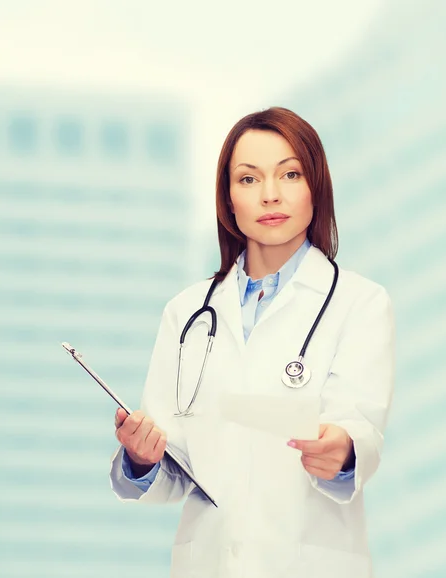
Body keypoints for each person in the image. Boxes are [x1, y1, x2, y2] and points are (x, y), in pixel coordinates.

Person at [109, 107, 395, 578]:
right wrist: (141, 458)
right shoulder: (187, 314)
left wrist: (341, 451)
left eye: (290, 174)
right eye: (248, 179)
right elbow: (173, 471)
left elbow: (359, 428)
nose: (270, 195)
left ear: (315, 187)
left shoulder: (360, 303)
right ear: (228, 198)